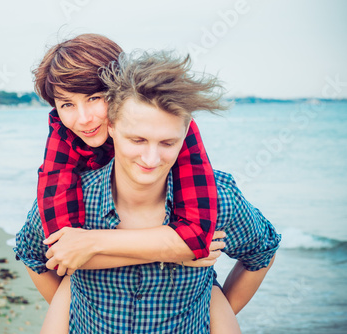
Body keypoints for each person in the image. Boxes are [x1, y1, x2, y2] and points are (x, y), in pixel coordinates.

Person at [15, 51, 281, 333]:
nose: (151, 159)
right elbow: (32, 254)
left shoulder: (218, 200)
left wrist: (214, 310)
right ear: (112, 127)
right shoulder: (72, 195)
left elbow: (262, 250)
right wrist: (70, 308)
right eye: (137, 140)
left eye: (167, 143)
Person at [35, 34, 218, 267]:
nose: (83, 119)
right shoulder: (63, 133)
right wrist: (172, 253)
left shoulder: (168, 128)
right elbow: (62, 250)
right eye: (67, 104)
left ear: (119, 89)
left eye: (94, 98)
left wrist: (93, 242)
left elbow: (196, 236)